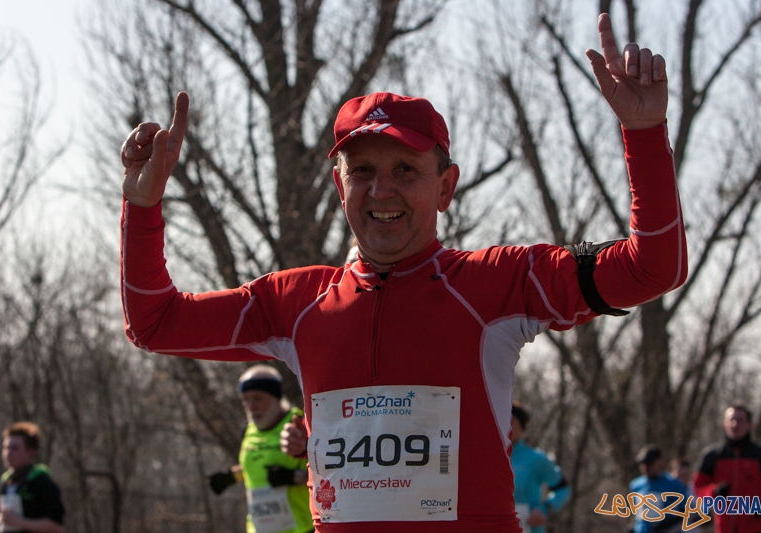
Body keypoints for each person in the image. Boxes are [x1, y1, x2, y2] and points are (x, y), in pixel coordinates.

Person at [118, 13, 686, 532]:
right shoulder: (296, 302)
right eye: (362, 170)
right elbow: (155, 322)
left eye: (405, 169)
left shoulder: (495, 285)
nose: (381, 189)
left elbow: (652, 268)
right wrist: (142, 208)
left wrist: (644, 132)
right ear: (340, 187)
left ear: (445, 187)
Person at [207, 365, 312, 533]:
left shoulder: (299, 425)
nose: (251, 405)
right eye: (245, 399)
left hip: (302, 528)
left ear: (276, 397)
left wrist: (294, 477)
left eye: (257, 398)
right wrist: (231, 477)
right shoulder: (247, 430)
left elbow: (329, 473)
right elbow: (260, 465)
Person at [694, 406, 761, 533]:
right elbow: (698, 487)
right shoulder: (712, 456)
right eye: (731, 420)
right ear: (725, 423)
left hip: (756, 527)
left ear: (749, 424)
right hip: (725, 527)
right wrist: (714, 492)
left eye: (740, 420)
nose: (735, 424)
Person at [509, 402, 569, 533]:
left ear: (523, 427)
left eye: (511, 421)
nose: (506, 426)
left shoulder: (536, 459)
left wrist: (545, 508)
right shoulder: (487, 458)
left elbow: (563, 488)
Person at [0, 422, 64, 533]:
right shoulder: (5, 483)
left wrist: (17, 522)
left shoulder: (42, 482)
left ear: (30, 452)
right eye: (6, 448)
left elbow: (56, 527)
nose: (8, 453)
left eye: (15, 448)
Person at [629, 445, 687, 533]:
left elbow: (685, 511)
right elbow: (636, 513)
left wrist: (667, 524)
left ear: (660, 462)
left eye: (650, 463)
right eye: (643, 464)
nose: (646, 467)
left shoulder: (673, 484)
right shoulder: (635, 485)